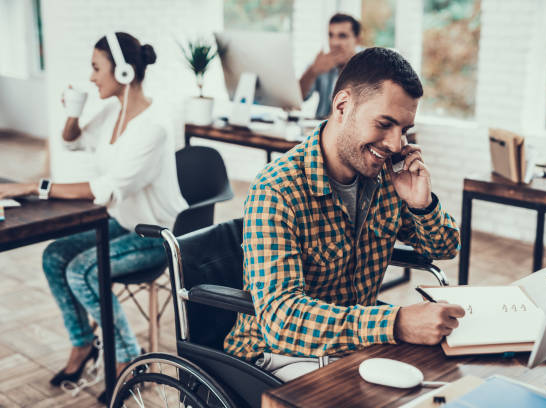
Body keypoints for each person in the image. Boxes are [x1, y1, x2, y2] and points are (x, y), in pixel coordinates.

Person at [224, 47, 465, 382]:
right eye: (385, 124)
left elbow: (444, 249)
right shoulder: (277, 189)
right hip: (277, 354)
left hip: (350, 347)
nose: (396, 144)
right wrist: (396, 323)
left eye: (405, 129)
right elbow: (282, 320)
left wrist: (420, 205)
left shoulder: (385, 177)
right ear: (342, 106)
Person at [0, 32, 187, 397]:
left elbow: (103, 190)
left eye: (95, 68)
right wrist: (74, 109)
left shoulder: (151, 129)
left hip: (153, 235)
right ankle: (83, 343)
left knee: (81, 270)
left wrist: (30, 186)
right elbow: (72, 141)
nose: (91, 76)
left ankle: (129, 362)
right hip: (122, 223)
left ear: (124, 73)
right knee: (54, 256)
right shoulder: (113, 111)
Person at [299, 13, 361, 119]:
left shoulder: (368, 66)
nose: (334, 42)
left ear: (357, 40)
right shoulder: (322, 62)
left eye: (342, 36)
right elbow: (299, 98)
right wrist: (312, 71)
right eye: (331, 35)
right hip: (320, 128)